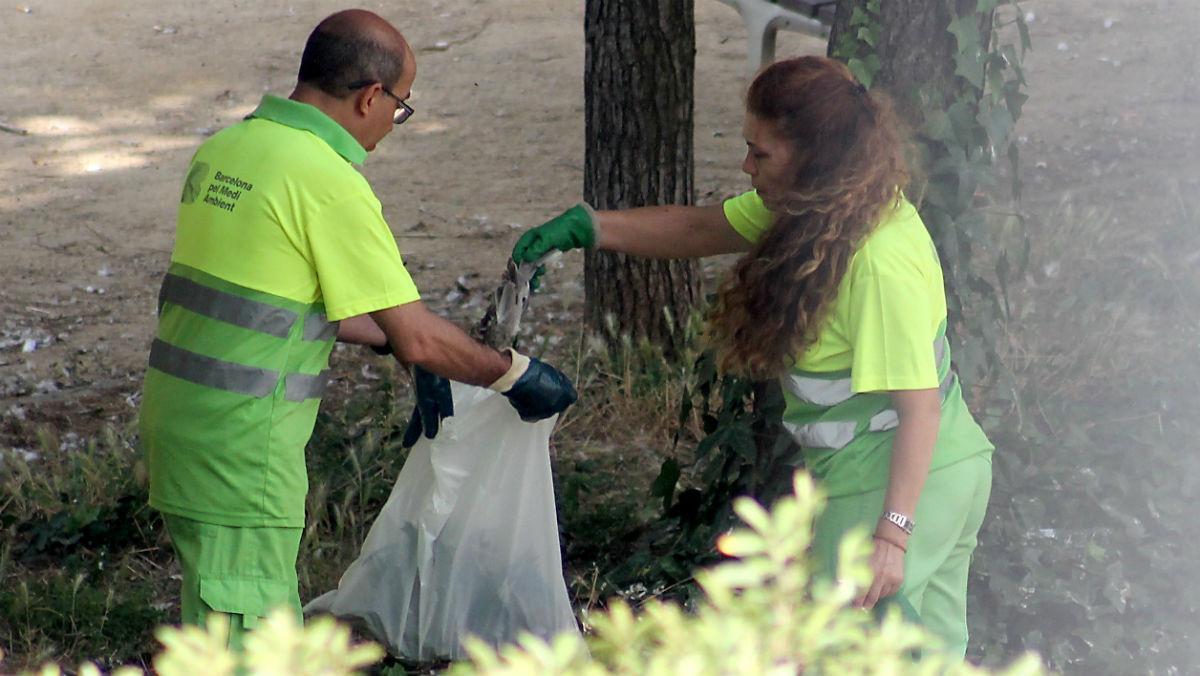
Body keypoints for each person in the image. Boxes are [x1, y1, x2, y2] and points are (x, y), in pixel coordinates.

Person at [512, 55, 993, 658]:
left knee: (829, 659)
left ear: (813, 154)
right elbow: (698, 230)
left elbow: (918, 409)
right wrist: (589, 227)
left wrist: (892, 536)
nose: (746, 165)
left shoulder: (875, 257)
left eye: (760, 153)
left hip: (893, 484)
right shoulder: (823, 209)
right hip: (937, 474)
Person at [139, 9, 576, 648]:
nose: (391, 127)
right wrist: (513, 374)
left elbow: (276, 301)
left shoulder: (229, 150)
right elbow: (419, 335)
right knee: (251, 645)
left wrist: (395, 341)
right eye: (401, 108)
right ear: (372, 95)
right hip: (244, 450)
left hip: (181, 430)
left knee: (213, 621)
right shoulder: (325, 179)